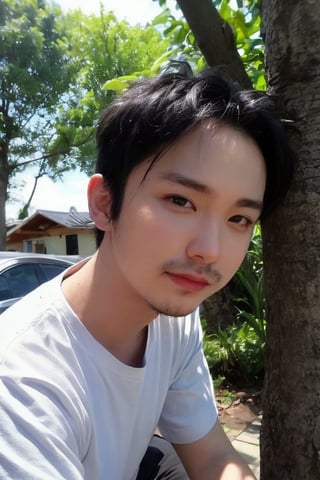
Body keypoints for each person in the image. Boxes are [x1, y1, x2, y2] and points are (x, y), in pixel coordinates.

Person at [0, 64, 294, 480]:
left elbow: (212, 457)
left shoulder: (173, 318)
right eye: (180, 200)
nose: (208, 251)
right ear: (104, 204)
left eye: (239, 219)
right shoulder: (19, 386)